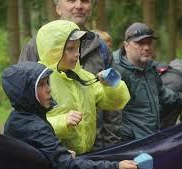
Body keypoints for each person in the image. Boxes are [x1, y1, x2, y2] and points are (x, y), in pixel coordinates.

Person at [2, 62, 137, 169]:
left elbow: (36, 155)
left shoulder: (19, 117)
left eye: (48, 83)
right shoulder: (33, 126)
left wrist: (59, 154)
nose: (49, 90)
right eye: (41, 85)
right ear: (26, 93)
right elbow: (67, 166)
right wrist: (116, 168)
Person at [19, 0, 120, 150]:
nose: (79, 5)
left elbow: (113, 103)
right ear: (58, 8)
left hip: (97, 149)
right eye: (71, 0)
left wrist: (112, 146)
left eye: (85, 1)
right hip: (51, 150)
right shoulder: (37, 45)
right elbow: (22, 100)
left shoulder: (101, 48)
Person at [36, 20, 130, 154]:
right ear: (53, 50)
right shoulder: (39, 80)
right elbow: (28, 125)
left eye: (78, 47)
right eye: (70, 48)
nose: (77, 54)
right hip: (52, 159)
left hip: (86, 156)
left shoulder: (84, 77)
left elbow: (116, 103)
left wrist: (112, 84)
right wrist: (62, 122)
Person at [113, 22, 182, 142]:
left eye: (149, 42)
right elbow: (109, 112)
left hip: (151, 139)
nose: (146, 47)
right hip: (130, 144)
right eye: (140, 42)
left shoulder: (149, 68)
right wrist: (125, 138)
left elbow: (163, 94)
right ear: (126, 45)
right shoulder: (116, 71)